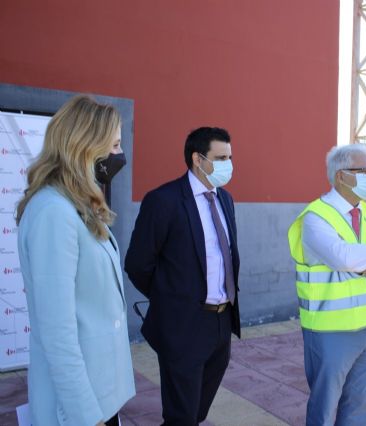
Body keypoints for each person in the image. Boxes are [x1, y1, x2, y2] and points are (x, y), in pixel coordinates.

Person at [15, 95, 135, 426]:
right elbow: (58, 334)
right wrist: (87, 416)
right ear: (84, 146)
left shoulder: (75, 206)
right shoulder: (53, 212)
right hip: (77, 409)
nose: (118, 156)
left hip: (99, 395)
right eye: (112, 146)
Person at [125, 127, 240, 425]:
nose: (229, 164)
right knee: (181, 415)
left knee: (196, 411)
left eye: (230, 156)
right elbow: (138, 263)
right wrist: (172, 299)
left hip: (220, 323)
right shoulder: (163, 200)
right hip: (183, 324)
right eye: (221, 157)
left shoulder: (225, 199)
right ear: (197, 159)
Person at [287, 144, 366, 426]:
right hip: (331, 330)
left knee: (361, 405)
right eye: (363, 171)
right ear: (341, 176)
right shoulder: (316, 217)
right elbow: (343, 258)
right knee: (324, 407)